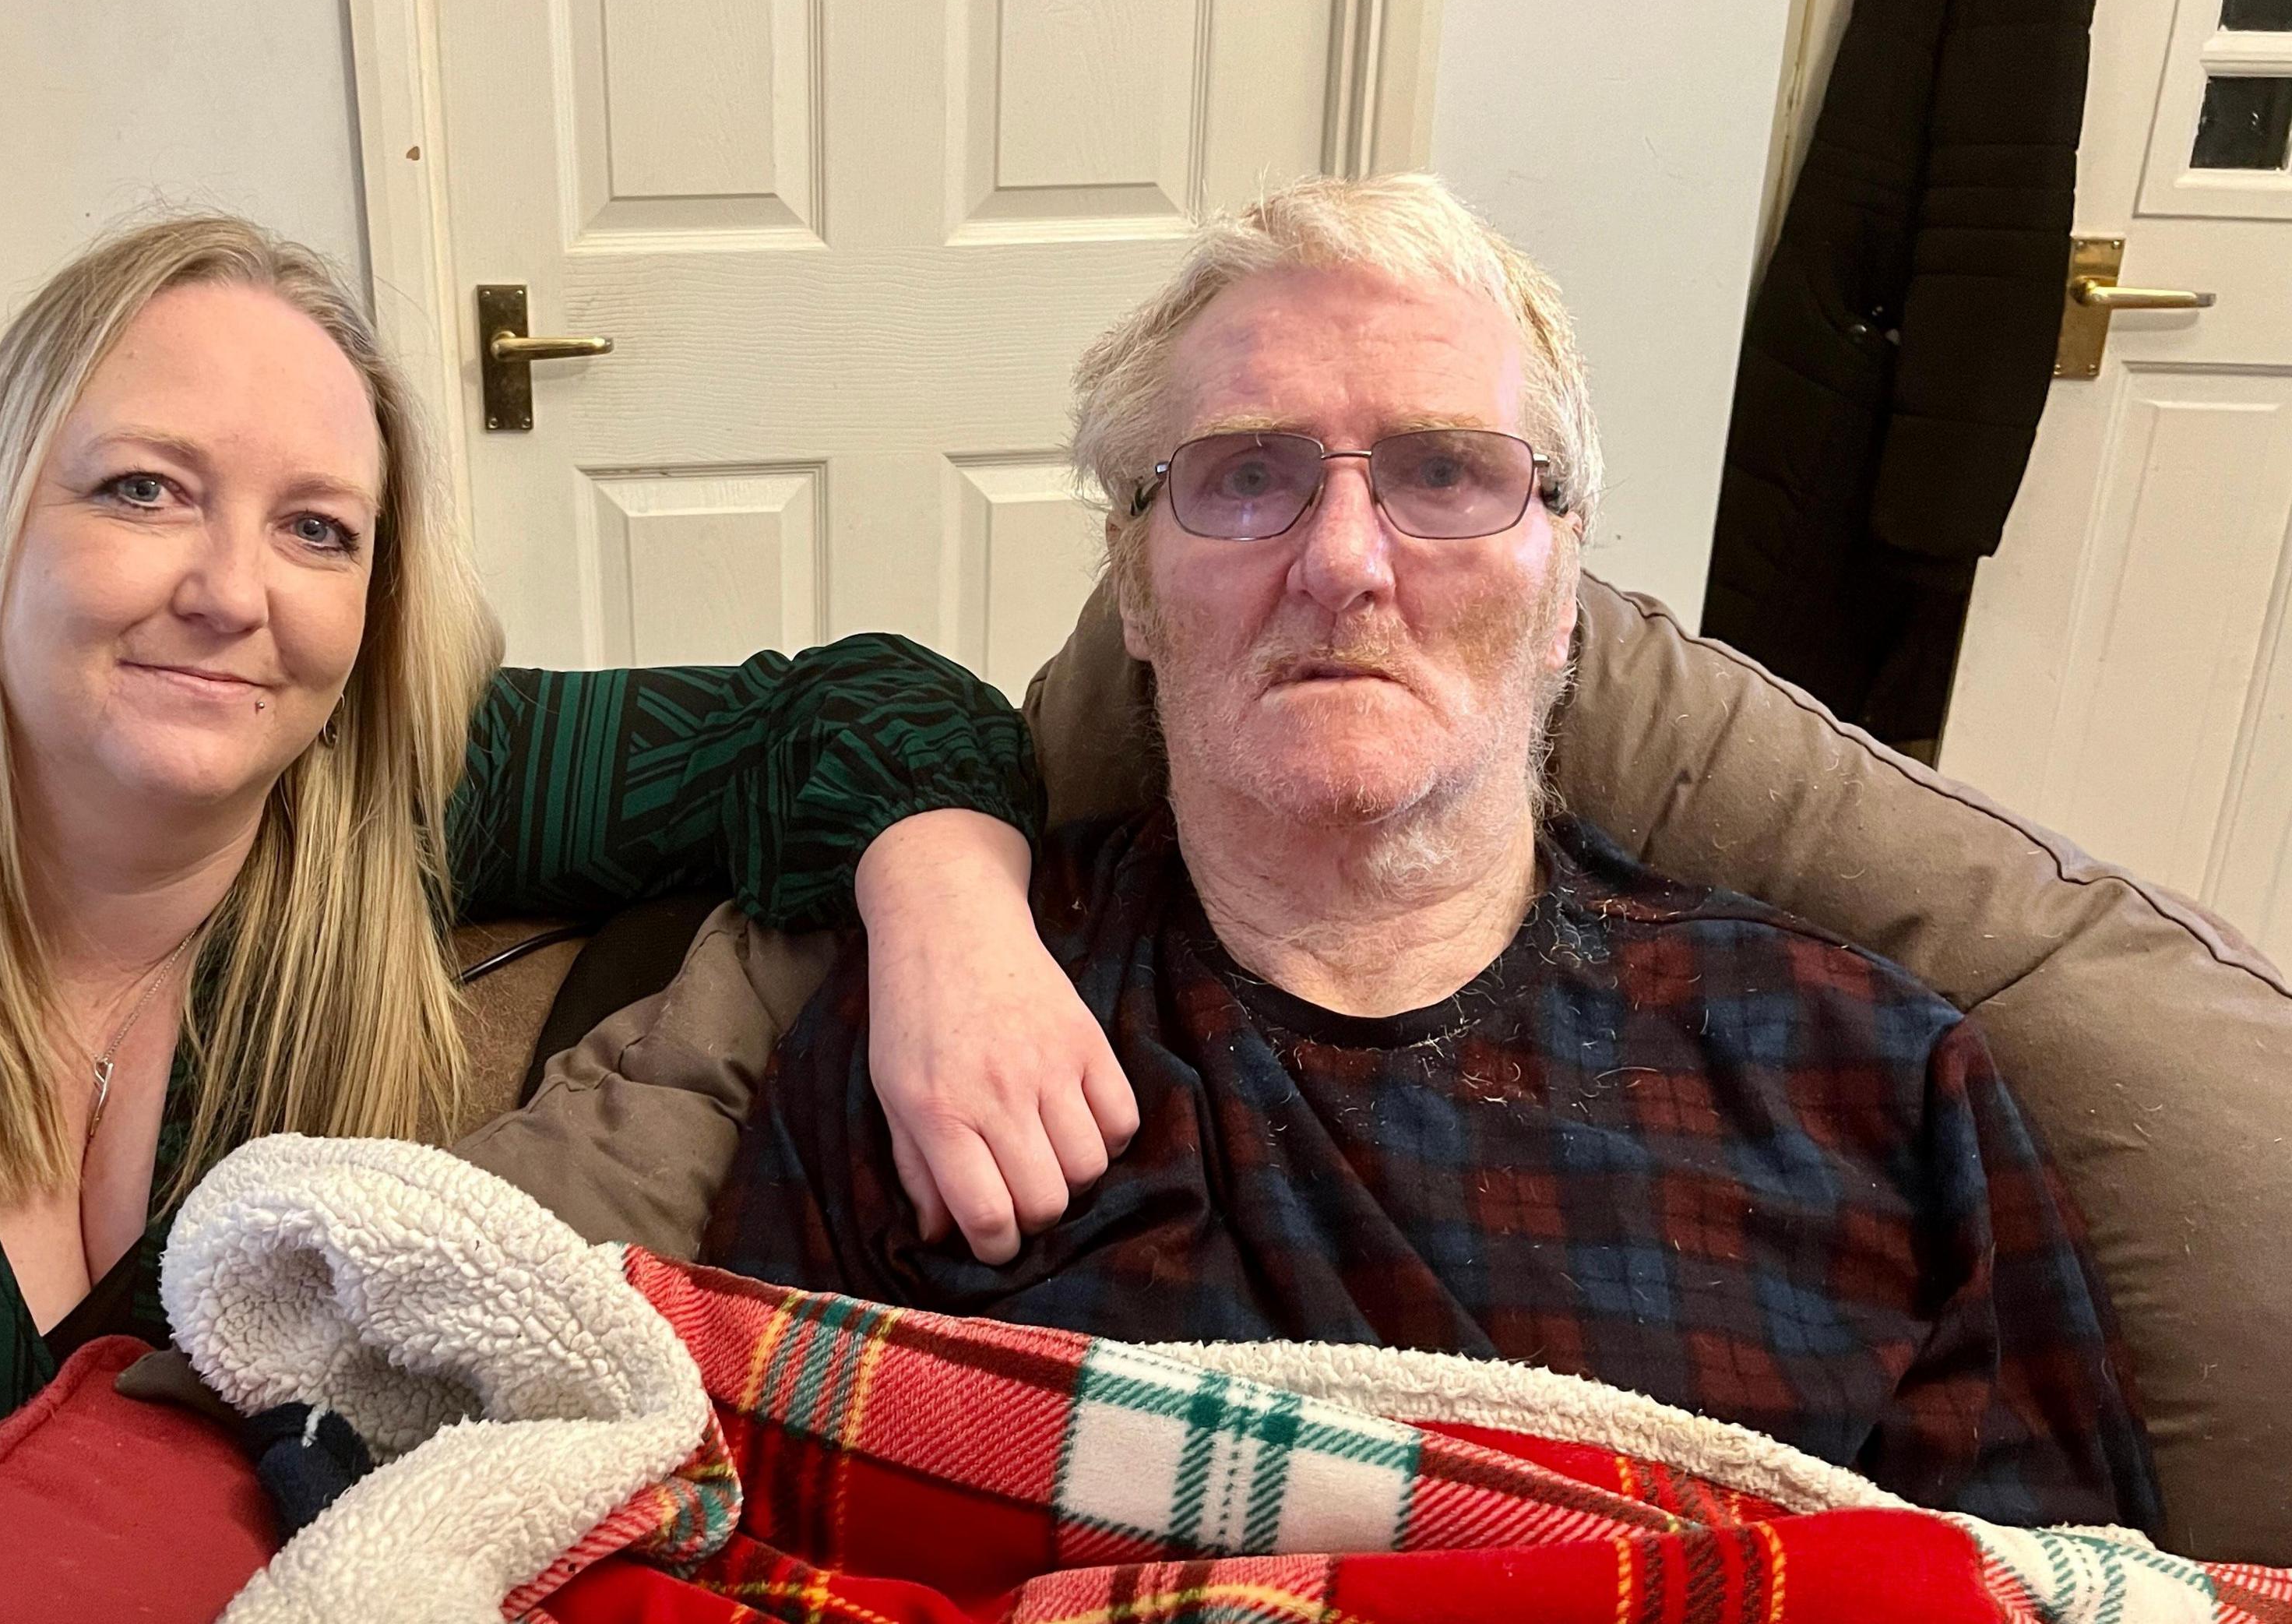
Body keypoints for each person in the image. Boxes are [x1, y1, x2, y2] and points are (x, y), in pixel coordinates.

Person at [0, 215, 1128, 1621]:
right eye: (142, 488)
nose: (231, 594)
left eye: (316, 528)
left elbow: (864, 706)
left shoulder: (380, 794)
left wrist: (954, 926)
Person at [701, 174, 2163, 1531]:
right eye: (1246, 475)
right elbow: (742, 1551)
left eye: (1447, 473)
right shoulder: (933, 1034)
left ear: (1565, 583)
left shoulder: (1871, 1079)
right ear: (1133, 591)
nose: (1343, 559)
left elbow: (2062, 1595)